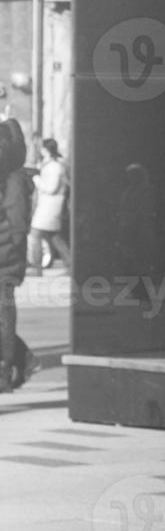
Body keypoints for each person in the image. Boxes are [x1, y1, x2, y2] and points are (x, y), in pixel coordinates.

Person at [0, 119, 39, 391]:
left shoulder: (12, 177)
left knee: (3, 314)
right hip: (6, 254)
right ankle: (22, 361)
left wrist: (13, 254)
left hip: (4, 257)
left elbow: (16, 223)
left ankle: (11, 367)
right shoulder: (11, 175)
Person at [28, 139, 71, 273]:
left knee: (35, 235)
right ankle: (71, 265)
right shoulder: (53, 165)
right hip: (49, 206)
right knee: (55, 237)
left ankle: (37, 268)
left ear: (46, 149)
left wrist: (37, 180)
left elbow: (51, 188)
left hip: (49, 206)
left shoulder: (54, 167)